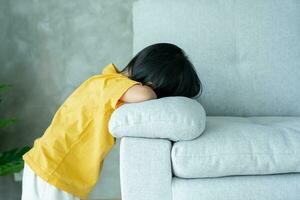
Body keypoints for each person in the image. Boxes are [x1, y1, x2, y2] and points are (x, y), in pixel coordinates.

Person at [21, 43, 203, 200]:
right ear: (153, 83)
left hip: (56, 169)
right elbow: (146, 95)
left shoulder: (107, 82)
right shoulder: (112, 84)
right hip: (55, 168)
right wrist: (154, 94)